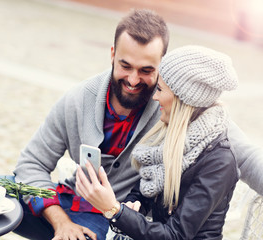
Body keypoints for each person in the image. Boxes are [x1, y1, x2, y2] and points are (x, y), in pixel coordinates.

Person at [13, 9, 263, 240]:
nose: (133, 80)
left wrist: (119, 209)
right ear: (112, 55)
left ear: (162, 66)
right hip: (64, 202)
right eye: (125, 66)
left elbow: (246, 157)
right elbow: (31, 164)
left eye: (146, 70)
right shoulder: (78, 100)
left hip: (110, 223)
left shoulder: (179, 110)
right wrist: (60, 220)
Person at [76, 45, 239, 239]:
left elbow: (175, 235)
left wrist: (114, 210)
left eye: (160, 89)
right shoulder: (171, 134)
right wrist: (132, 206)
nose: (155, 97)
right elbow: (143, 190)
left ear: (182, 99)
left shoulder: (219, 161)